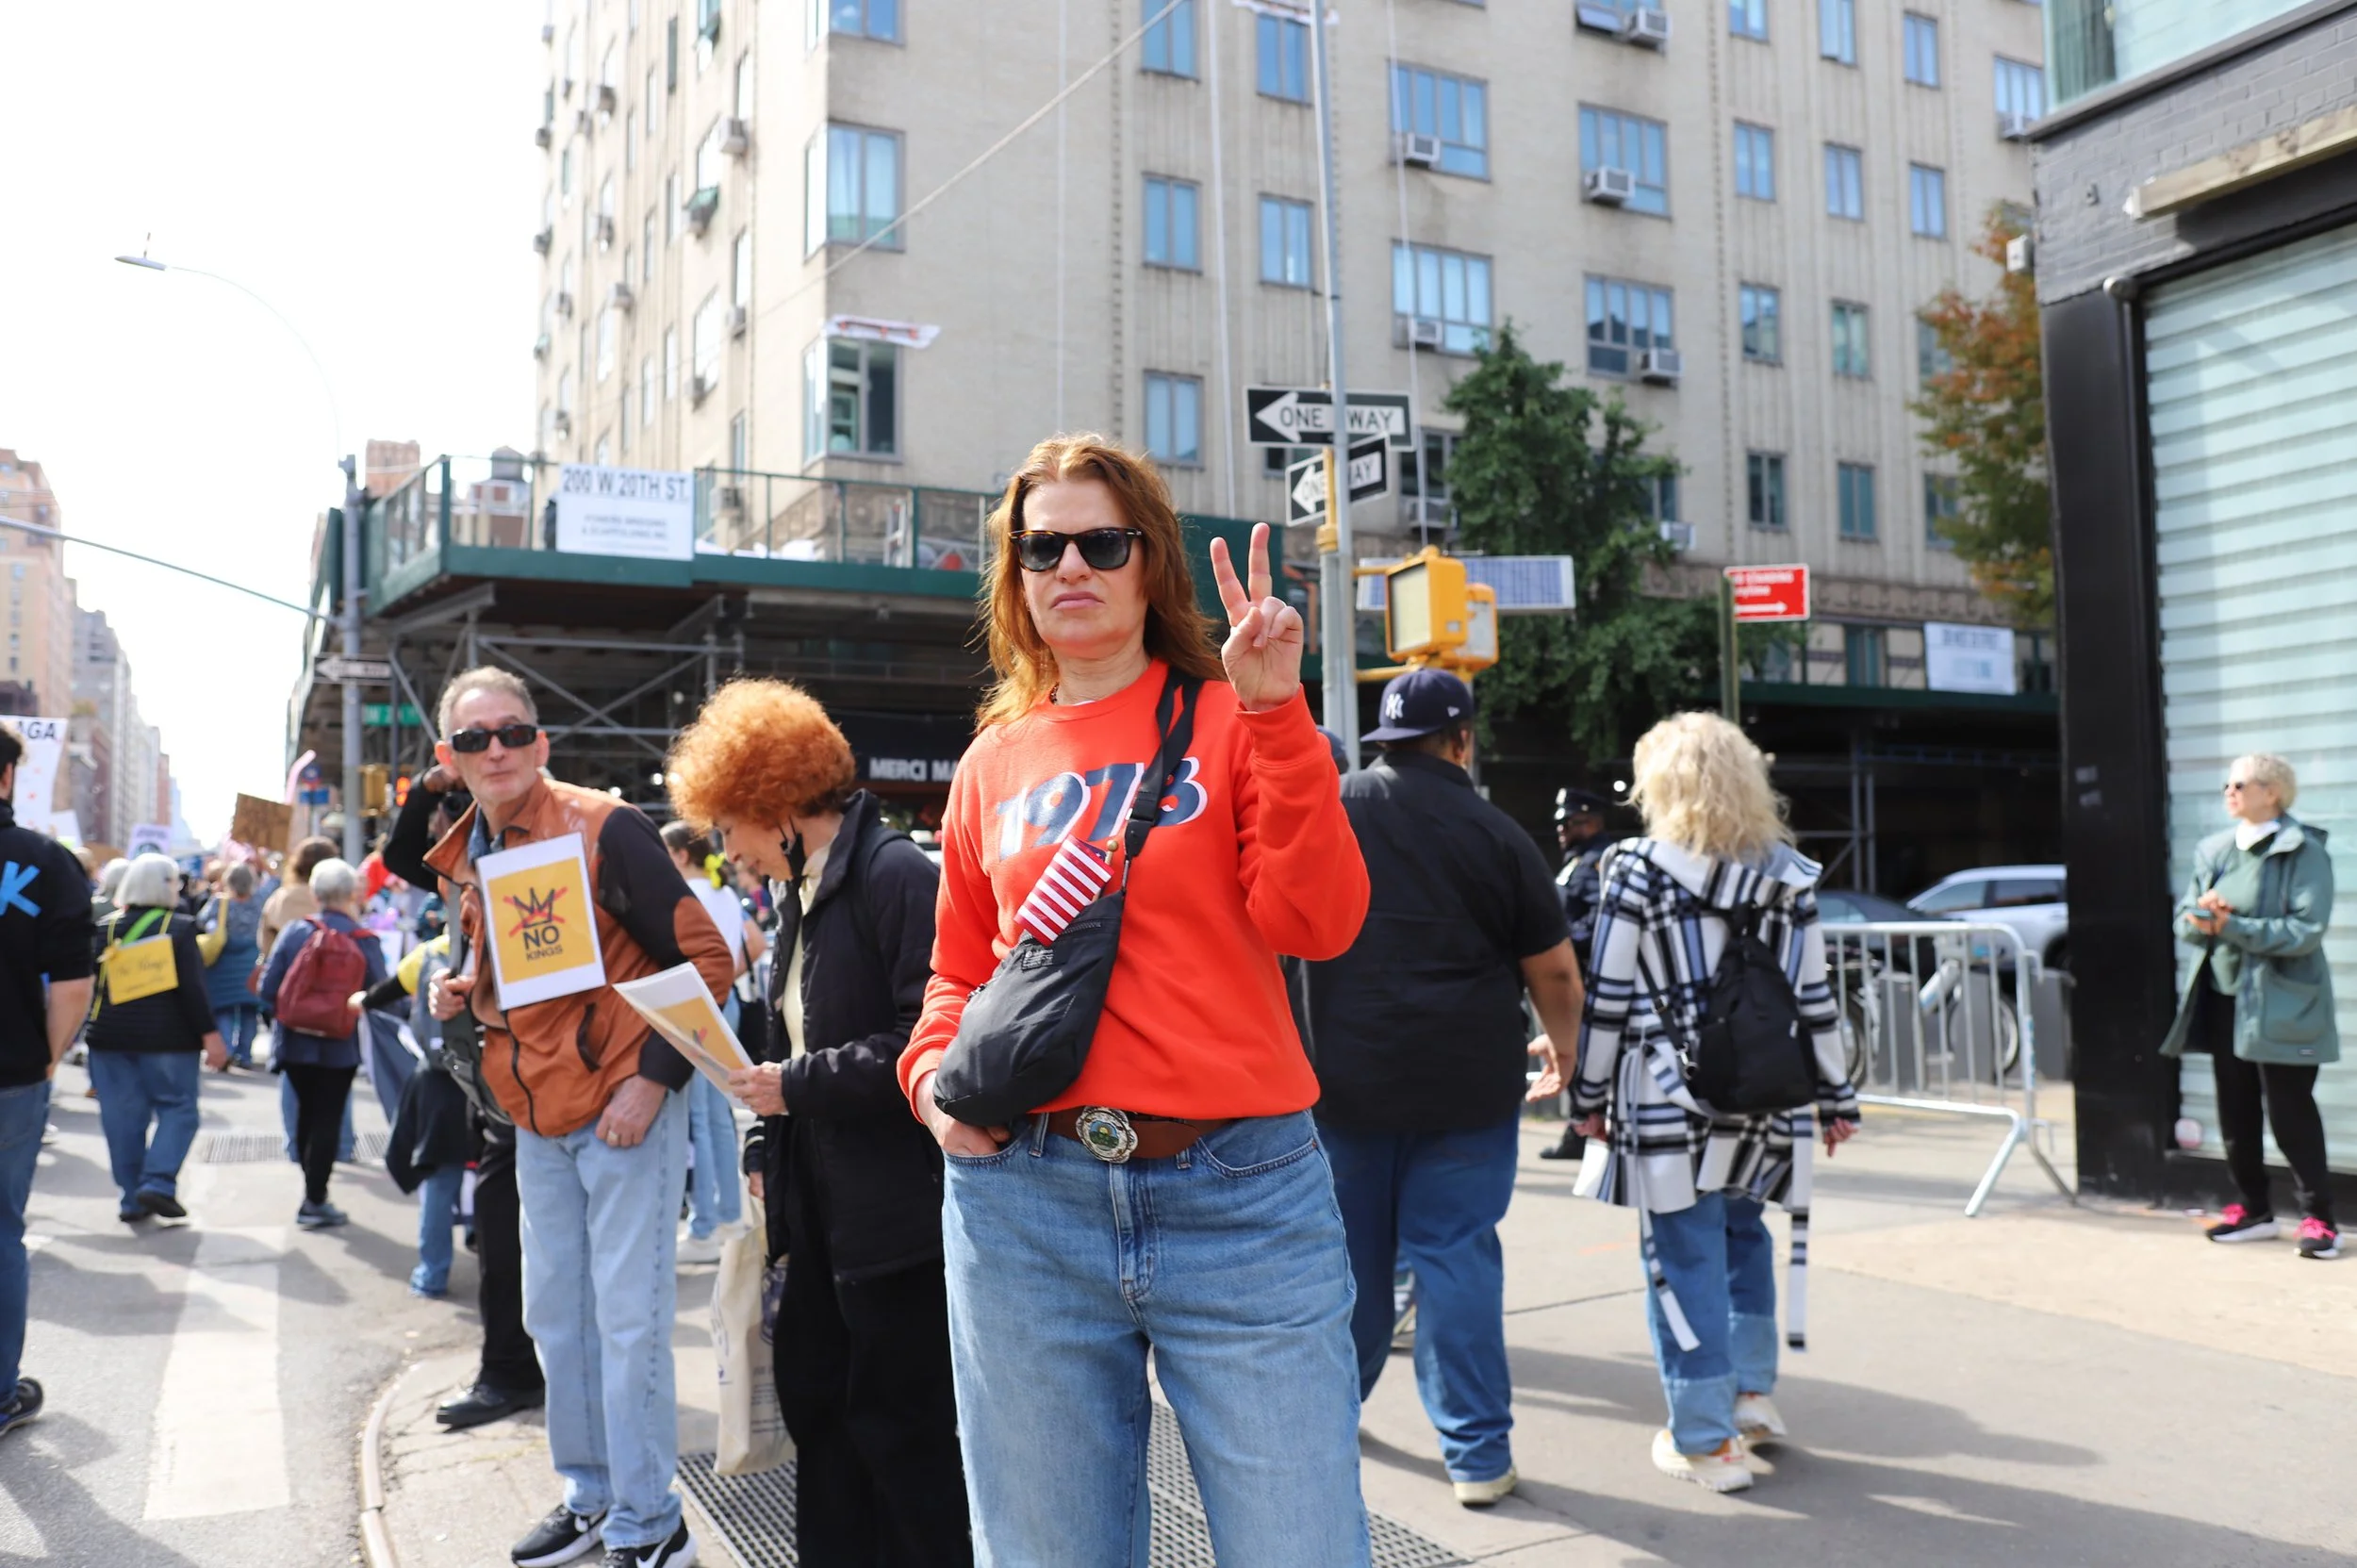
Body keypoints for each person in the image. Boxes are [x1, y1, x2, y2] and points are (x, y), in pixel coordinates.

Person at [898, 435, 1372, 1566]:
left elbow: (1321, 923)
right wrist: (929, 1086)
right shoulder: (992, 761)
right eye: (1040, 545)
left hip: (1241, 1199)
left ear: (1147, 560)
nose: (1070, 565)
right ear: (1012, 575)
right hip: (1025, 1204)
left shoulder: (1231, 716)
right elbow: (959, 973)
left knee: (1300, 1547)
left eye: (1100, 542)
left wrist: (1277, 717)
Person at [421, 665, 731, 1568]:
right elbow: (532, 970)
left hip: (619, 1109)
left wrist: (654, 1078)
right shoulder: (472, 849)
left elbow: (709, 959)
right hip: (534, 1116)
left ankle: (651, 1522)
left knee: (628, 1320)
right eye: (476, 738)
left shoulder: (605, 824)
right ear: (451, 757)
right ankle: (593, 1496)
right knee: (557, 1317)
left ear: (540, 741)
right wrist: (463, 987)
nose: (498, 749)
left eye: (513, 730)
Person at [666, 679, 968, 1568]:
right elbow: (783, 1033)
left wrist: (794, 1087)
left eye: (729, 824)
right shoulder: (802, 891)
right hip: (823, 1220)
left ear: (774, 802)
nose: (726, 848)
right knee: (823, 1417)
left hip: (898, 1227)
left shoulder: (893, 875)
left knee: (905, 1446)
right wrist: (766, 1134)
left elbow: (932, 1042)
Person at [1305, 667, 1583, 1508]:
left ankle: (1320, 1430)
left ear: (1387, 738)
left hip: (1341, 1089)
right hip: (1466, 1093)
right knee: (1455, 1262)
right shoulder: (1497, 833)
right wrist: (1565, 1055)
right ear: (1462, 738)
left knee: (1345, 1269)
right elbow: (1557, 974)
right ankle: (1477, 1457)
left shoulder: (1332, 810)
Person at [1566, 713, 1858, 1494]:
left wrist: (1587, 1096)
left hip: (1666, 1094)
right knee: (1743, 1228)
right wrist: (1836, 1095)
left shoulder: (1632, 868)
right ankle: (1752, 1394)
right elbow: (1815, 996)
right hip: (1766, 1089)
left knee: (1681, 1251)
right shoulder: (1788, 871)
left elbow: (1611, 996)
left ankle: (1704, 1436)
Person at [382, 768, 547, 1429]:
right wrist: (429, 785)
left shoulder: (555, 851)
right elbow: (400, 855)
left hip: (559, 1082)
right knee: (501, 1240)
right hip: (493, 1088)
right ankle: (508, 1369)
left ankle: (546, 1372)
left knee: (549, 1250)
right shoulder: (461, 870)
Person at [2161, 752, 2339, 1260]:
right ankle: (2253, 1208)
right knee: (2235, 1111)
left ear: (2273, 792)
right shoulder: (2215, 850)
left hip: (2283, 1005)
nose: (2229, 791)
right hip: (2223, 999)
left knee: (2290, 1113)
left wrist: (2230, 925)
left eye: (2241, 783)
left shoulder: (2302, 850)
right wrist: (2201, 917)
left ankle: (2320, 1219)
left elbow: (2306, 931)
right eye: (2227, 783)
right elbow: (2185, 919)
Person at [0, 721, 96, 1435]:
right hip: (10, 1074)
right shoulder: (47, 861)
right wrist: (48, 1056)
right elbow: (71, 986)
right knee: (1, 1231)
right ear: (8, 778)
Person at [85, 853, 228, 1222]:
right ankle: (159, 1182)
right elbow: (193, 991)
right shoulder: (179, 928)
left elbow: (88, 987)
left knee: (121, 1119)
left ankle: (132, 1199)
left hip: (109, 1040)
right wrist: (212, 1037)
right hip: (169, 1040)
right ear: (164, 885)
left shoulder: (106, 928)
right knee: (179, 1110)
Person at [259, 858, 389, 1230]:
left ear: (315, 894)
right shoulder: (364, 940)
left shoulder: (296, 932)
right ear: (352, 894)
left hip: (295, 1041)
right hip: (341, 1043)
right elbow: (383, 994)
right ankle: (316, 1198)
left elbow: (270, 988)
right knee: (329, 1117)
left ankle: (310, 1187)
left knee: (304, 1113)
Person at [658, 819, 754, 1267]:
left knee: (701, 1117)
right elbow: (749, 947)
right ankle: (729, 1219)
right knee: (717, 1117)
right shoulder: (726, 894)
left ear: (679, 855)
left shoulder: (682, 895)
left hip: (696, 1010)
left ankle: (705, 1227)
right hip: (725, 1003)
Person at [265, 834, 355, 1164]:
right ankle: (342, 1146)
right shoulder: (347, 910)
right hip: (338, 1009)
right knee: (338, 1085)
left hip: (293, 1009)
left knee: (293, 1081)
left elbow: (267, 951)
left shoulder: (282, 900)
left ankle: (296, 1148)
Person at [1541, 786, 1619, 1162]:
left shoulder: (1597, 863)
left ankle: (1581, 1133)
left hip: (1587, 973)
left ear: (1592, 822)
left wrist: (1563, 940)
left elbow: (1599, 919)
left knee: (1587, 1056)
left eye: (1570, 823)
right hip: (1577, 972)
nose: (1562, 830)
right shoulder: (1579, 861)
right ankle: (1580, 1131)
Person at [199, 862, 266, 1069]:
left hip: (222, 964)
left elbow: (202, 921)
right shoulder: (260, 902)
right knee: (249, 1012)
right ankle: (244, 1054)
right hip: (251, 962)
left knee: (224, 1010)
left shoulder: (220, 903)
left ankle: (226, 1050)